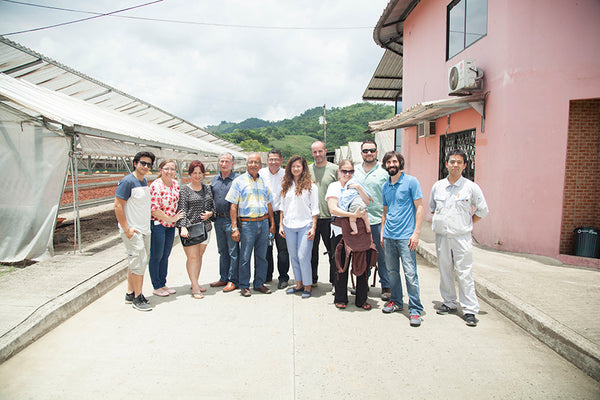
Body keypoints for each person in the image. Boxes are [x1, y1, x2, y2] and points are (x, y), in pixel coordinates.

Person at [430, 149, 489, 327]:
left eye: (459, 162)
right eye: (452, 161)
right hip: (442, 236)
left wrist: (468, 223)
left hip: (462, 236)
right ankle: (449, 302)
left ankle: (470, 309)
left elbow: (483, 210)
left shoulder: (471, 187)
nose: (455, 165)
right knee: (445, 270)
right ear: (446, 164)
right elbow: (433, 208)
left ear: (464, 165)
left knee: (464, 273)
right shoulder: (438, 186)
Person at [381, 151, 425, 327]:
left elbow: (420, 207)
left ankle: (415, 309)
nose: (392, 165)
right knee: (392, 272)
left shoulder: (411, 182)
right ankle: (397, 302)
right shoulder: (385, 186)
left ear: (400, 163)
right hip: (389, 236)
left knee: (410, 273)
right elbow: (385, 211)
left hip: (406, 237)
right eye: (388, 162)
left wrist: (416, 233)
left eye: (394, 162)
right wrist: (383, 233)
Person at [226, 153, 276, 297]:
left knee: (262, 256)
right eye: (251, 162)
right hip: (247, 224)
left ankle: (259, 283)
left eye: (256, 162)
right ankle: (244, 285)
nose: (253, 165)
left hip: (263, 222)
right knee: (245, 256)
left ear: (261, 165)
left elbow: (269, 204)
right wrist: (234, 227)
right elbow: (233, 205)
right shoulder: (239, 181)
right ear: (247, 164)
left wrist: (272, 224)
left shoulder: (264, 182)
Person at [326, 159, 373, 310]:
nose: (347, 174)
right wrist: (352, 214)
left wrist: (359, 187)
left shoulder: (356, 184)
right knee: (341, 264)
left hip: (359, 231)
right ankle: (340, 297)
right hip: (340, 230)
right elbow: (333, 209)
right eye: (344, 171)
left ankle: (361, 298)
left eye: (350, 171)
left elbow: (367, 201)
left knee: (362, 264)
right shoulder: (333, 187)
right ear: (339, 171)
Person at [114, 151, 155, 311]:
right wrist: (127, 229)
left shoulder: (143, 181)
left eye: (149, 164)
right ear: (135, 163)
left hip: (144, 230)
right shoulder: (127, 182)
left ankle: (130, 293)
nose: (145, 167)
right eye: (143, 163)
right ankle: (138, 298)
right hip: (133, 230)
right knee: (138, 263)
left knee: (137, 262)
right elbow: (118, 205)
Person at [354, 139, 392, 301]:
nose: (369, 153)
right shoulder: (354, 171)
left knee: (382, 254)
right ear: (361, 153)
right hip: (358, 220)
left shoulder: (384, 172)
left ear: (377, 152)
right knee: (362, 254)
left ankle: (386, 286)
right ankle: (363, 284)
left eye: (372, 150)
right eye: (365, 151)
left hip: (378, 220)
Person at [279, 156, 319, 298]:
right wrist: (280, 225)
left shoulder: (311, 186)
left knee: (303, 256)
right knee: (294, 256)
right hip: (289, 225)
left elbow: (315, 209)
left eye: (298, 166)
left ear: (303, 168)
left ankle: (307, 286)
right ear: (290, 168)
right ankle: (299, 284)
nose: (296, 169)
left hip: (305, 225)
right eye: (293, 166)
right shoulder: (286, 185)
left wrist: (313, 227)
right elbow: (282, 207)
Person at [177, 160, 215, 299]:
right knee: (192, 257)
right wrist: (183, 227)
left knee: (199, 256)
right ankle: (195, 288)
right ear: (190, 174)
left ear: (203, 174)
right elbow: (182, 210)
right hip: (190, 229)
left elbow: (213, 207)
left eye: (200, 173)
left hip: (206, 228)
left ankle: (195, 282)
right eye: (195, 173)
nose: (197, 176)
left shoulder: (207, 189)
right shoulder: (185, 190)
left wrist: (211, 214)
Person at [148, 159, 184, 297]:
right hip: (159, 225)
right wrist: (171, 219)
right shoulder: (156, 185)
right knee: (156, 255)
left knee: (165, 255)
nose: (169, 172)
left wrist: (175, 222)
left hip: (170, 226)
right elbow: (154, 209)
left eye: (172, 169)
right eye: (166, 169)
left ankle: (163, 283)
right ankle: (156, 286)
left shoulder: (175, 184)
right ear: (160, 170)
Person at [308, 140, 338, 288]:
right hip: (311, 219)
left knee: (333, 252)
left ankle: (335, 282)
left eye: (320, 151)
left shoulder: (335, 169)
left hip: (330, 218)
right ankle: (312, 279)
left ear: (325, 151)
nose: (318, 154)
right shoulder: (307, 170)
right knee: (312, 253)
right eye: (315, 152)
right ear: (312, 153)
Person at [259, 148, 290, 289]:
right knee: (266, 248)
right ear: (267, 160)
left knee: (283, 249)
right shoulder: (261, 174)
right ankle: (267, 275)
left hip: (282, 216)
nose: (273, 162)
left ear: (281, 160)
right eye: (271, 159)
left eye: (276, 159)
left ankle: (283, 277)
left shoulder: (286, 174)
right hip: (265, 216)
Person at [209, 153, 240, 293]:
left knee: (233, 251)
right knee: (222, 250)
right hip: (218, 219)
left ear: (232, 164)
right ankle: (223, 277)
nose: (223, 164)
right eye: (221, 161)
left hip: (231, 219)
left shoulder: (237, 180)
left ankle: (233, 280)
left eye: (227, 161)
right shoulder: (214, 180)